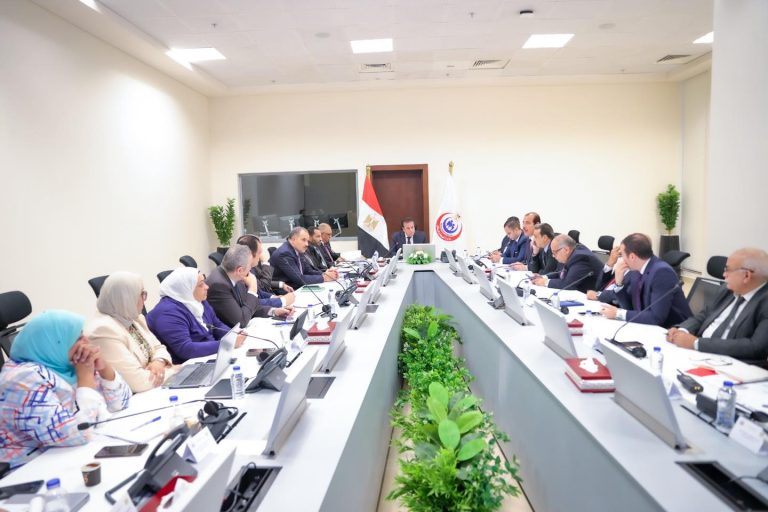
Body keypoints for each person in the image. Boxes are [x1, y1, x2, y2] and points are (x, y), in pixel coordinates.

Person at [0, 310, 131, 469]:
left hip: (73, 456)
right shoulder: (20, 381)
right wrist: (85, 379)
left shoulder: (64, 364)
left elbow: (121, 403)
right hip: (32, 471)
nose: (86, 342)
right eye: (78, 338)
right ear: (55, 344)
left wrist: (105, 369)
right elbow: (77, 433)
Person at [667, 248, 768, 361]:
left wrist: (696, 343)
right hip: (699, 355)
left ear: (746, 276)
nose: (724, 274)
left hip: (734, 363)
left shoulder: (764, 303)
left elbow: (755, 347)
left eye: (728, 270)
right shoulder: (727, 289)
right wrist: (682, 330)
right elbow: (703, 316)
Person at [86, 272, 174, 393]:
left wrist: (159, 362)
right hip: (132, 398)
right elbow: (139, 383)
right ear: (126, 298)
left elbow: (159, 347)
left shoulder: (133, 318)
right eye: (142, 294)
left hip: (152, 390)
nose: (144, 299)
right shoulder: (102, 331)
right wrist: (174, 371)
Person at [147, 268, 246, 364]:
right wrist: (227, 344)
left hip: (208, 357)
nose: (207, 287)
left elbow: (216, 324)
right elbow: (185, 349)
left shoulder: (196, 300)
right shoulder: (168, 313)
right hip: (186, 366)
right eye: (201, 284)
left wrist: (233, 334)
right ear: (186, 289)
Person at [600, 234, 692, 328]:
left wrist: (618, 314)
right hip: (647, 327)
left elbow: (656, 317)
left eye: (622, 255)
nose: (622, 260)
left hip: (674, 330)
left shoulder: (662, 272)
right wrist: (619, 284)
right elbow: (630, 308)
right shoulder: (637, 270)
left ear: (632, 257)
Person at [207, 245, 292, 328]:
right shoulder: (218, 286)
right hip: (228, 333)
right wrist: (252, 289)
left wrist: (274, 311)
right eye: (250, 266)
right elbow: (241, 321)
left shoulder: (235, 275)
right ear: (239, 270)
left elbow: (249, 306)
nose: (251, 270)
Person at [270, 227, 339, 289]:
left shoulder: (297, 250)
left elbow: (307, 270)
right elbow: (299, 279)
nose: (307, 244)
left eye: (307, 241)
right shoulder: (285, 253)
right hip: (285, 291)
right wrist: (324, 278)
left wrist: (325, 274)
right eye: (303, 240)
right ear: (293, 239)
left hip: (297, 287)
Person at [236, 234, 295, 307]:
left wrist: (274, 297)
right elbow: (263, 287)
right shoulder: (239, 273)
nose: (261, 255)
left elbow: (258, 289)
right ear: (250, 254)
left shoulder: (250, 268)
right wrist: (281, 301)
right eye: (259, 252)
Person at [532, 234, 603, 293]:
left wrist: (545, 282)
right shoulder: (573, 253)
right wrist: (544, 277)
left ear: (566, 250)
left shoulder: (581, 258)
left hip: (593, 299)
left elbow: (568, 284)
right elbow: (561, 273)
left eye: (554, 252)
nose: (553, 256)